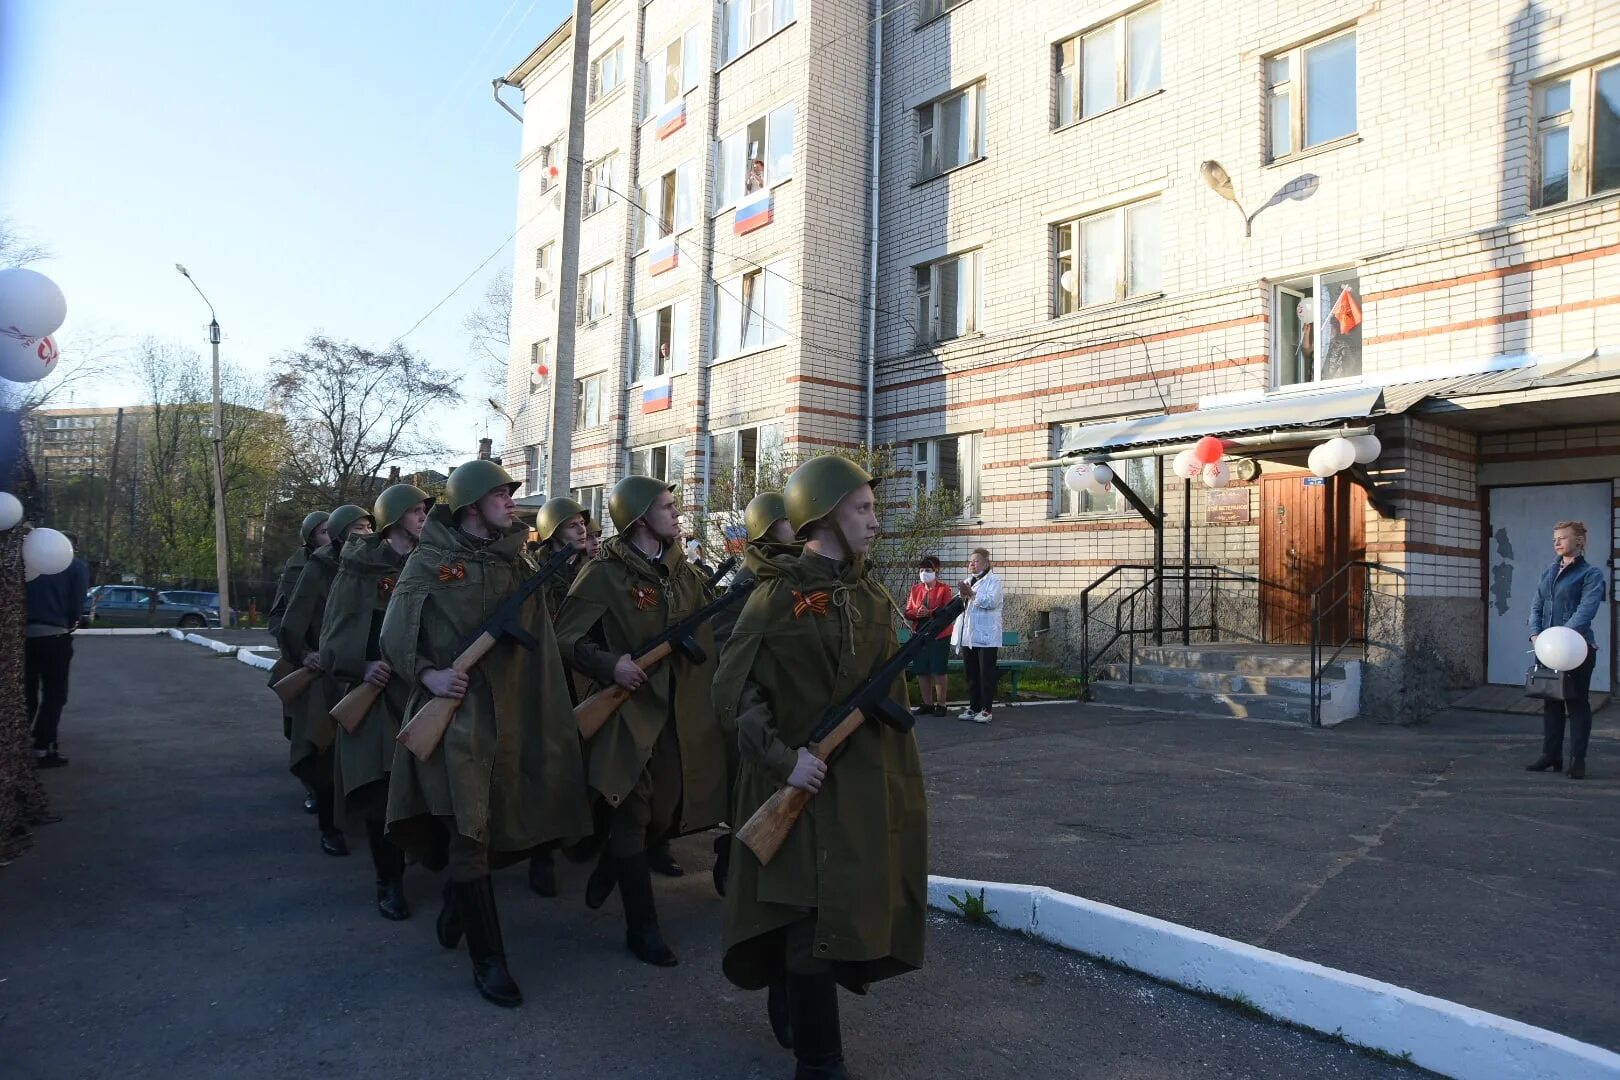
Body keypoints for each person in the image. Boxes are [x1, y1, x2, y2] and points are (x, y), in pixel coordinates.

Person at [714, 455, 924, 1080]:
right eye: (862, 509)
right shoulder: (774, 598)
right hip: (794, 782)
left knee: (831, 917)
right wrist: (785, 761)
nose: (875, 521)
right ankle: (820, 1063)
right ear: (825, 515)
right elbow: (733, 692)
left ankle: (795, 1007)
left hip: (853, 790)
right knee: (807, 925)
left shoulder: (874, 596)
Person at [381, 459, 592, 1007]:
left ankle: (458, 899)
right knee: (471, 836)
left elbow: (542, 645)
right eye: (500, 494)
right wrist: (429, 673)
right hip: (456, 717)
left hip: (511, 719)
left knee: (497, 829)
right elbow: (394, 633)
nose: (510, 501)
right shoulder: (429, 561)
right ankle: (489, 962)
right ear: (471, 504)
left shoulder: (515, 564)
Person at [553, 474, 729, 967]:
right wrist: (612, 664)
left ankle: (611, 862)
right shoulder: (604, 573)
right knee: (632, 812)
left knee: (667, 812)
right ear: (638, 518)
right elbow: (565, 638)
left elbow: (711, 629)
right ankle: (642, 928)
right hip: (626, 712)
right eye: (667, 507)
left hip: (677, 715)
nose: (676, 515)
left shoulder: (682, 571)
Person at [319, 484, 429, 920]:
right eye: (416, 510)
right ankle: (390, 881)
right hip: (376, 695)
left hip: (419, 691)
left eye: (425, 510)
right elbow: (332, 638)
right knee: (381, 796)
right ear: (395, 517)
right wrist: (360, 666)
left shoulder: (429, 564)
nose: (423, 516)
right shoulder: (358, 570)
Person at [708, 491, 795, 896]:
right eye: (787, 519)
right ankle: (732, 856)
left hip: (786, 700)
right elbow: (727, 639)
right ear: (768, 528)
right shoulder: (751, 579)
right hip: (757, 703)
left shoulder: (793, 570)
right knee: (755, 794)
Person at [278, 503, 374, 856]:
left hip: (366, 674)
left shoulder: (375, 566)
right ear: (339, 535)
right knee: (323, 753)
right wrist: (304, 654)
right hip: (327, 675)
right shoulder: (317, 567)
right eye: (357, 528)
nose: (365, 533)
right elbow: (291, 620)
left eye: (368, 527)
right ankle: (330, 827)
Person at [523, 495, 592, 899]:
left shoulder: (594, 571)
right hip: (547, 678)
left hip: (583, 674)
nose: (581, 530)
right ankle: (541, 853)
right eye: (571, 526)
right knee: (546, 767)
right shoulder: (536, 574)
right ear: (552, 534)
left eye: (583, 524)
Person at [1526, 519, 1607, 780]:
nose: (1557, 542)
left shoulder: (1591, 574)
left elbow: (1587, 609)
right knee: (1551, 702)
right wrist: (1536, 635)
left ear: (1579, 541)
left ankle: (1577, 760)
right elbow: (1536, 606)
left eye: (1563, 537)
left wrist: (1562, 637)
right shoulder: (1548, 572)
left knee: (1577, 703)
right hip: (1547, 649)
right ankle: (1551, 756)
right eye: (1555, 539)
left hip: (1576, 649)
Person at [270, 511, 330, 813]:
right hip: (305, 663)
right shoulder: (297, 570)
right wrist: (304, 652)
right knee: (305, 734)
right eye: (323, 532)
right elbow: (278, 619)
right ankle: (314, 789)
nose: (331, 537)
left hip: (342, 663)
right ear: (310, 540)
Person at [24, 531, 90, 767]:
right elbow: (76, 603)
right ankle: (42, 748)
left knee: (26, 693)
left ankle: (15, 746)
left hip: (23, 637)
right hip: (55, 636)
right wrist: (73, 620)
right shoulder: (75, 567)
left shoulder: (28, 564)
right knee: (55, 693)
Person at [950, 548, 1003, 725]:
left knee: (985, 674)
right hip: (968, 634)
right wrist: (962, 595)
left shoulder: (994, 581)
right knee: (971, 673)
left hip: (986, 636)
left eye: (976, 561)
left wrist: (971, 594)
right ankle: (973, 707)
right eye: (970, 561)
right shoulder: (968, 581)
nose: (972, 564)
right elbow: (959, 604)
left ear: (986, 563)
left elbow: (990, 602)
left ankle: (986, 709)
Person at [905, 555, 954, 718]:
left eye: (928, 570)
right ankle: (927, 703)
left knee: (938, 669)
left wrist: (931, 612)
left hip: (939, 634)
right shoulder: (915, 589)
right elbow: (907, 612)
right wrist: (916, 613)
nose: (924, 573)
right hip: (919, 633)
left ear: (936, 571)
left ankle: (941, 704)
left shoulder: (944, 589)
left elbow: (948, 611)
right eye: (921, 570)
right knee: (922, 670)